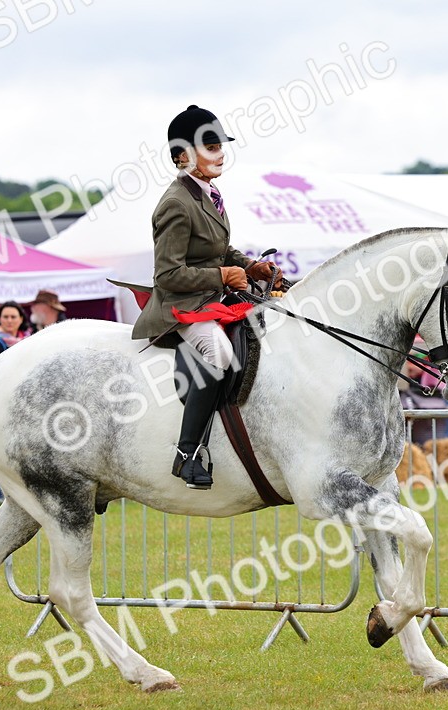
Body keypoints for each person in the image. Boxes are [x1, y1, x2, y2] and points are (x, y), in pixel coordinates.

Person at [131, 104, 276, 490]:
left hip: (211, 300)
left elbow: (218, 250)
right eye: (210, 146)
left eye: (220, 146)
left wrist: (249, 266)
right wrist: (222, 275)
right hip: (180, 308)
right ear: (183, 155)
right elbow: (168, 274)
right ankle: (186, 454)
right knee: (220, 354)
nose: (220, 153)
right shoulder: (176, 203)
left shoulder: (208, 194)